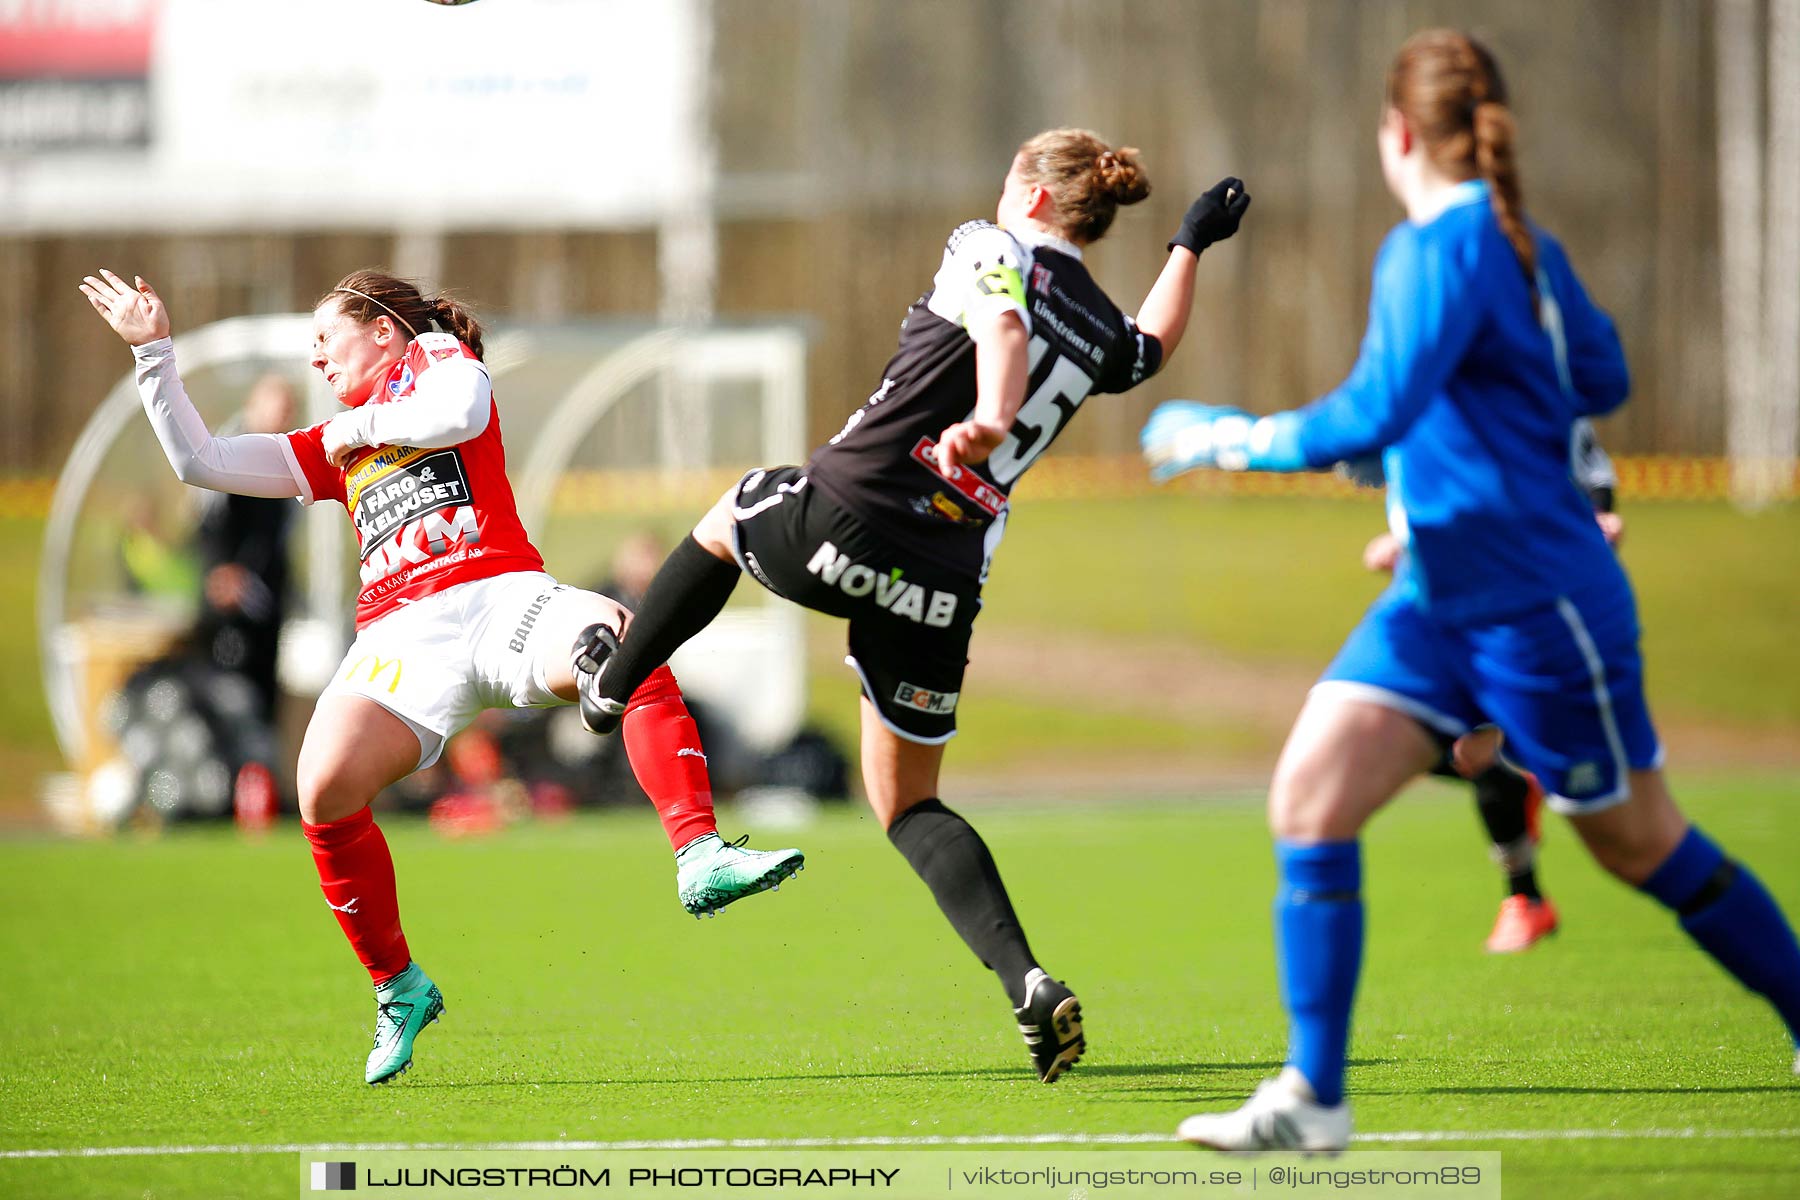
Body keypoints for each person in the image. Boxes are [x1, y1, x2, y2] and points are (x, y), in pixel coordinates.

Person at [1140, 30, 1800, 1149]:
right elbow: (1598, 373)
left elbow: (1373, 411)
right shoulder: (1519, 246)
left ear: (1397, 134)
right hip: (1440, 597)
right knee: (1310, 800)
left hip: (1540, 605)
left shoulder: (1434, 247)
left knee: (1638, 842)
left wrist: (1226, 436)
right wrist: (1460, 443)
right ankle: (1315, 1098)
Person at [569, 129, 1250, 1082]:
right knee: (905, 802)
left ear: (1037, 196)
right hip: (943, 579)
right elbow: (1149, 352)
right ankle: (1029, 982)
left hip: (851, 517)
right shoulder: (1099, 322)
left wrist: (990, 417)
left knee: (731, 513)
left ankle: (610, 690)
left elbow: (1006, 328)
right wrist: (1190, 243)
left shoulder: (990, 244)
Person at [79, 267, 806, 1085]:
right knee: (321, 788)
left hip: (500, 602)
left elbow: (458, 412)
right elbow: (200, 459)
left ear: (382, 329)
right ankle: (399, 987)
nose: (316, 360)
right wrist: (154, 355)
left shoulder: (438, 359)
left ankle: (698, 853)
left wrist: (356, 432)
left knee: (625, 639)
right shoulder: (340, 437)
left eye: (326, 337)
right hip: (400, 639)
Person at [1356, 417, 1622, 953]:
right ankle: (1525, 886)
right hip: (1446, 609)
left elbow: (1582, 487)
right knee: (1391, 737)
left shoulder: (1539, 392)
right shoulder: (1425, 396)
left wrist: (1592, 522)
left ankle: (1527, 886)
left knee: (1637, 839)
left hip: (1529, 610)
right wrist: (1406, 544)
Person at [195, 373, 300, 725]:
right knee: (228, 701)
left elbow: (278, 537)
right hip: (229, 606)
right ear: (252, 407)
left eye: (288, 412)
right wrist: (219, 570)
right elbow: (207, 523)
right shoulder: (228, 455)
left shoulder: (284, 462)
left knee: (263, 699)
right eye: (275, 408)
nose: (281, 418)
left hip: (265, 601)